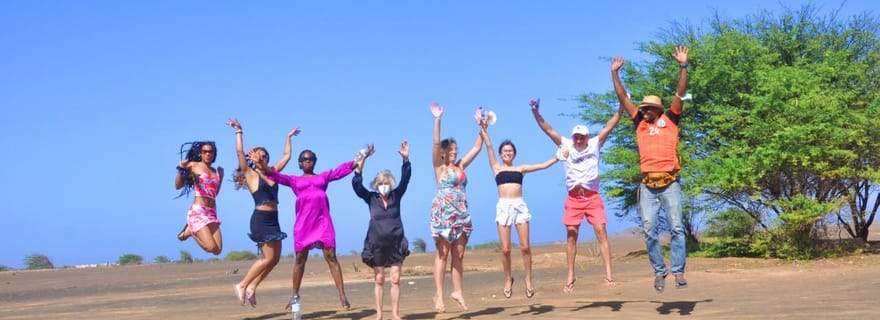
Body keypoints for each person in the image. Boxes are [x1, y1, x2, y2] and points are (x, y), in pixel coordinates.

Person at [611, 46, 690, 293]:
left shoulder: (671, 119)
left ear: (657, 110)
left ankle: (678, 271)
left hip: (670, 183)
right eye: (642, 108)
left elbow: (681, 92)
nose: (643, 111)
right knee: (649, 230)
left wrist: (683, 66)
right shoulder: (639, 125)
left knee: (677, 228)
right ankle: (659, 271)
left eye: (647, 109)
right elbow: (624, 98)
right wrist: (615, 74)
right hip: (648, 186)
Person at [253, 145, 362, 310]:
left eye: (310, 159)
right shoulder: (294, 180)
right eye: (304, 159)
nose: (308, 162)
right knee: (300, 260)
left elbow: (340, 171)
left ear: (315, 162)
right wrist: (260, 163)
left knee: (331, 257)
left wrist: (359, 159)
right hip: (304, 225)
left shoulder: (324, 177)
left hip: (323, 222)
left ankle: (342, 295)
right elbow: (273, 174)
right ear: (299, 163)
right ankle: (295, 295)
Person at [531, 98, 622, 293]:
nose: (578, 140)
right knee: (571, 235)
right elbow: (548, 129)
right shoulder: (566, 145)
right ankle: (571, 275)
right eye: (576, 137)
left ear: (587, 137)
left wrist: (622, 107)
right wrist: (536, 112)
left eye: (582, 137)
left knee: (601, 231)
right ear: (572, 138)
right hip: (573, 199)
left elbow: (610, 126)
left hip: (592, 197)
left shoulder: (595, 144)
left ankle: (609, 274)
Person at [478, 120, 559, 299]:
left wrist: (557, 157)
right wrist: (483, 128)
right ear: (501, 154)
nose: (507, 153)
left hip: (519, 205)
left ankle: (529, 279)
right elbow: (489, 147)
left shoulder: (520, 169)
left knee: (525, 247)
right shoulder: (496, 168)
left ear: (514, 153)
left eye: (510, 150)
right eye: (505, 151)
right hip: (503, 207)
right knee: (506, 249)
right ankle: (508, 279)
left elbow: (542, 165)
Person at [228, 119, 299, 307]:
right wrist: (239, 131)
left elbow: (287, 155)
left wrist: (288, 137)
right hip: (260, 219)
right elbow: (239, 153)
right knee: (266, 258)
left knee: (275, 259)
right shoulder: (251, 175)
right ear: (253, 159)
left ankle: (252, 287)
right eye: (260, 156)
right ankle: (242, 285)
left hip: (274, 220)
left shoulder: (273, 173)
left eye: (266, 156)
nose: (264, 158)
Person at [430, 102, 482, 312]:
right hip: (444, 213)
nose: (454, 151)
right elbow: (435, 143)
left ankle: (457, 291)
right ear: (443, 151)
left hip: (461, 213)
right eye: (450, 149)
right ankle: (439, 295)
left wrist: (483, 127)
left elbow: (477, 148)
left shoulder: (459, 166)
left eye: (455, 149)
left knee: (458, 254)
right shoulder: (439, 166)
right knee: (443, 253)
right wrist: (437, 119)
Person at [351, 141, 411, 320]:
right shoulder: (371, 198)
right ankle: (379, 314)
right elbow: (357, 187)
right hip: (376, 243)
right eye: (381, 183)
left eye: (387, 183)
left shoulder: (396, 195)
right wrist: (360, 167)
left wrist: (406, 159)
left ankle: (395, 314)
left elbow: (406, 179)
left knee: (395, 279)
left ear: (390, 184)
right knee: (379, 279)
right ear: (376, 185)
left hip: (396, 242)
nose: (384, 185)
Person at [175, 141, 224, 255]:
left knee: (217, 250)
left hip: (212, 212)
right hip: (199, 211)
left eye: (210, 152)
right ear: (200, 154)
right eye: (205, 151)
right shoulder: (193, 165)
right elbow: (178, 186)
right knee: (210, 247)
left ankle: (189, 230)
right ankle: (192, 232)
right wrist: (180, 169)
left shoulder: (214, 171)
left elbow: (214, 193)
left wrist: (221, 177)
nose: (208, 154)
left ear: (214, 154)